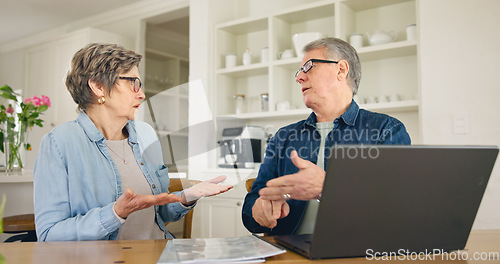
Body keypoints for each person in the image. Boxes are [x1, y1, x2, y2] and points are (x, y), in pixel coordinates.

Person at [34, 43, 232, 241]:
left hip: (160, 253)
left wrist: (184, 198)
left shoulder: (146, 134)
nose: (142, 94)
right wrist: (115, 213)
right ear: (98, 86)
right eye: (132, 82)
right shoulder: (59, 144)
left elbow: (158, 215)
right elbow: (49, 235)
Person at [242, 38, 411, 235]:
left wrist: (327, 188)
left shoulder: (387, 130)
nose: (299, 78)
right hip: (287, 254)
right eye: (299, 72)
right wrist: (260, 210)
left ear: (341, 70)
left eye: (308, 67)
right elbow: (249, 210)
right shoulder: (284, 137)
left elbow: (400, 210)